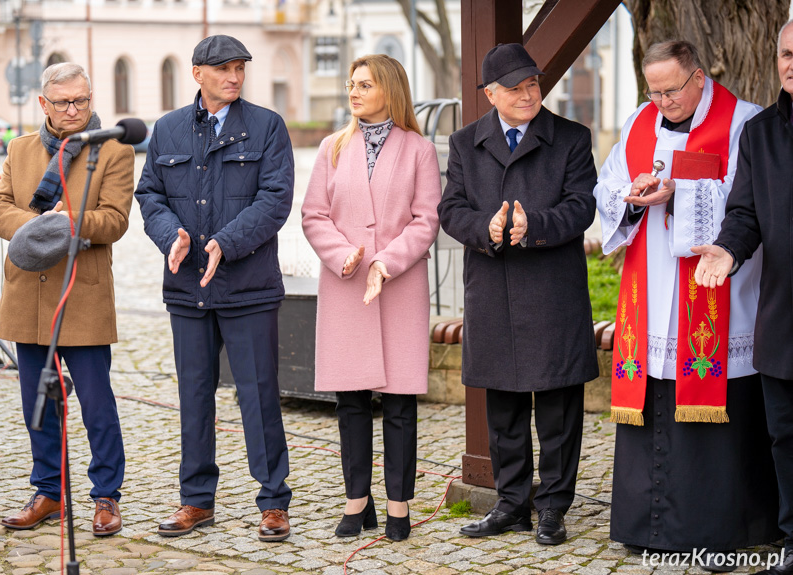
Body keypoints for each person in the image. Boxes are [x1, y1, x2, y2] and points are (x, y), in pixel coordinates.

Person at [594, 40, 780, 570]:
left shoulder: (743, 122)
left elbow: (749, 201)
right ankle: (645, 525)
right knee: (653, 401)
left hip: (716, 296)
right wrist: (631, 194)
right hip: (649, 300)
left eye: (672, 90)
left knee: (714, 416)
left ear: (699, 77)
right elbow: (603, 190)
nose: (662, 102)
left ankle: (716, 529)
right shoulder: (637, 123)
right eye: (654, 91)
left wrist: (678, 192)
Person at [135, 35, 294, 542]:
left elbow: (276, 199)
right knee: (194, 396)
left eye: (241, 68)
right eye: (224, 68)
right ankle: (195, 500)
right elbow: (150, 194)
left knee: (259, 396)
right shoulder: (167, 129)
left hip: (247, 286)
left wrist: (226, 241)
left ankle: (273, 502)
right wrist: (171, 235)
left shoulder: (267, 126)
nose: (235, 76)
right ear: (197, 73)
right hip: (187, 289)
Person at [438, 43, 598, 546]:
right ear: (491, 94)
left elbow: (582, 207)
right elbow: (450, 210)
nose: (529, 93)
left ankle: (552, 506)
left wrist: (535, 226)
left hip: (552, 293)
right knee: (503, 410)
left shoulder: (572, 138)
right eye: (515, 87)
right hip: (492, 291)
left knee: (557, 410)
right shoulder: (465, 143)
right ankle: (511, 504)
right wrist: (485, 227)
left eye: (533, 83)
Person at [0, 62, 132, 537]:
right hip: (29, 293)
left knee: (96, 403)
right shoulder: (20, 147)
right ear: (44, 104)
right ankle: (48, 492)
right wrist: (34, 230)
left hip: (82, 292)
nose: (75, 110)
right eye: (64, 102)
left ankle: (106, 495)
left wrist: (63, 223)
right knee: (38, 402)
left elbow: (113, 220)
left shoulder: (112, 148)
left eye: (82, 101)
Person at [301, 54, 440, 542]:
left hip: (399, 287)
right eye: (351, 84)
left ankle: (399, 503)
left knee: (401, 403)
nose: (353, 92)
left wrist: (387, 261)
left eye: (364, 84)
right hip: (346, 286)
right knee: (352, 400)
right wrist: (345, 256)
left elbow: (427, 220)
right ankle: (357, 501)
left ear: (390, 89)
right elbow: (314, 214)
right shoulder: (332, 147)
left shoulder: (420, 150)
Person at [692, 20, 793, 575]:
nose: (790, 63)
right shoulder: (760, 134)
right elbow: (746, 213)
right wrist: (728, 252)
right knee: (786, 439)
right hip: (783, 319)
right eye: (785, 53)